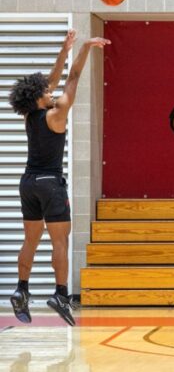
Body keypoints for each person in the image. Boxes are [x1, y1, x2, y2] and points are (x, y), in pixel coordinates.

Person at [7, 30, 110, 326]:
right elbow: (73, 77)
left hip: (28, 183)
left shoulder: (30, 113)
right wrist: (86, 48)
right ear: (40, 97)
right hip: (51, 184)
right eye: (47, 92)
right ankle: (61, 294)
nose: (51, 92)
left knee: (30, 239)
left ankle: (21, 289)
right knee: (60, 241)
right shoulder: (58, 113)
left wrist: (64, 50)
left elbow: (49, 82)